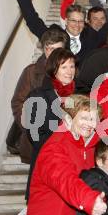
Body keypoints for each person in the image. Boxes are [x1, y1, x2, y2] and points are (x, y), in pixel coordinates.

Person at [23, 94, 107, 215]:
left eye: (93, 118)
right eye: (84, 118)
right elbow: (66, 180)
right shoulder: (55, 148)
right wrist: (90, 200)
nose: (90, 123)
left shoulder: (86, 147)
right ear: (68, 119)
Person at [23, 48, 76, 200]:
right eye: (64, 67)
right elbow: (35, 136)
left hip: (73, 168)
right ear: (54, 69)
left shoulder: (78, 96)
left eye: (72, 66)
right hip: (47, 165)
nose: (69, 71)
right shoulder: (38, 95)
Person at [8, 29, 67, 162]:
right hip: (36, 140)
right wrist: (31, 128)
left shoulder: (71, 71)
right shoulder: (31, 72)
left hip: (63, 138)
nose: (53, 54)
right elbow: (18, 102)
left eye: (58, 50)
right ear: (44, 49)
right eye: (50, 49)